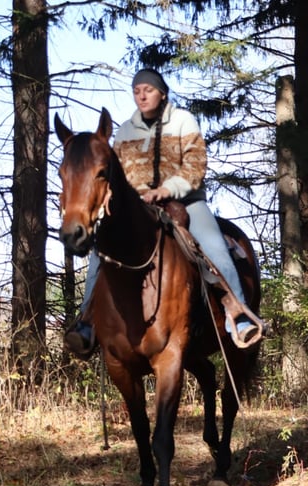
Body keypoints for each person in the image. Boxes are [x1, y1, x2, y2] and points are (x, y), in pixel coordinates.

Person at [65, 68, 263, 357]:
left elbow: (195, 165)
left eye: (148, 90)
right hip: (137, 207)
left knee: (213, 245)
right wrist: (110, 194)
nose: (142, 96)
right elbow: (114, 173)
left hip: (186, 201)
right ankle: (87, 321)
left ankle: (239, 315)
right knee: (101, 253)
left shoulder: (183, 121)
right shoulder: (125, 130)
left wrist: (166, 189)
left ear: (162, 93)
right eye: (137, 91)